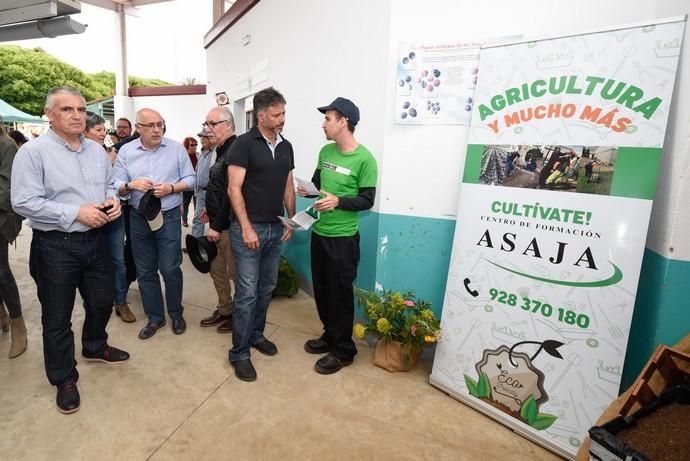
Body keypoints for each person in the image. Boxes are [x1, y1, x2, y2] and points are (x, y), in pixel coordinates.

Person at [11, 86, 129, 414]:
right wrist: (75, 212)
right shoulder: (33, 153)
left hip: (96, 241)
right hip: (55, 247)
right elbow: (23, 202)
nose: (76, 115)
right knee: (57, 316)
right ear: (49, 115)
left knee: (102, 301)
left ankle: (94, 345)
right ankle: (63, 377)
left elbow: (108, 184)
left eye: (80, 109)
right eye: (67, 109)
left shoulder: (94, 150)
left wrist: (112, 201)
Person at [300, 97, 378, 374]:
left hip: (344, 239)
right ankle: (330, 335)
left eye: (328, 119)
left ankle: (344, 350)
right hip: (320, 233)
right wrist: (308, 191)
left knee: (340, 295)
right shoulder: (326, 152)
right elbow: (318, 183)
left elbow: (367, 200)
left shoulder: (364, 159)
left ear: (344, 121)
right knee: (321, 290)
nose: (324, 124)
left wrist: (338, 201)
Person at [226, 88, 295, 381]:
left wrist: (291, 220)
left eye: (283, 113)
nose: (282, 119)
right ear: (262, 115)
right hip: (248, 230)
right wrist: (246, 227)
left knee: (267, 288)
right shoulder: (243, 145)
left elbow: (288, 185)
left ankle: (256, 335)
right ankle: (239, 353)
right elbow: (234, 188)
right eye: (277, 114)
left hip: (275, 227)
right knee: (246, 293)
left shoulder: (286, 146)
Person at [114, 108, 196, 340]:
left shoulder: (176, 149)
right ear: (138, 127)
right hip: (138, 217)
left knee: (170, 267)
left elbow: (191, 180)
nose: (157, 129)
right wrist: (131, 185)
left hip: (168, 215)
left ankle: (176, 314)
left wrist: (172, 188)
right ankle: (155, 317)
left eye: (160, 124)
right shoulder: (126, 152)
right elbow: (115, 183)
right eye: (150, 125)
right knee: (145, 271)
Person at [85, 112, 135, 323]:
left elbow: (113, 183)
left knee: (118, 260)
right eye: (98, 130)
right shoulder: (76, 157)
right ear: (84, 131)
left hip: (113, 215)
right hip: (87, 218)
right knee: (90, 264)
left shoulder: (109, 153)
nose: (103, 133)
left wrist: (114, 200)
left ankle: (121, 302)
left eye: (104, 130)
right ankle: (95, 303)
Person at [199, 107, 237, 334]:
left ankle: (239, 317)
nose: (208, 129)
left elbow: (233, 194)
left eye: (212, 124)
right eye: (207, 124)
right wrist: (208, 211)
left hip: (229, 226)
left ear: (228, 125)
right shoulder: (220, 150)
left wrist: (216, 225)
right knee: (216, 269)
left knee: (235, 273)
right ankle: (225, 309)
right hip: (216, 222)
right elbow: (218, 189)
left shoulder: (236, 150)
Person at [0, 125, 26, 358]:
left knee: (1, 270)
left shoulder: (6, 145)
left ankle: (17, 323)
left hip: (2, 217)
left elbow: (7, 189)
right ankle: (2, 314)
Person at [190, 130, 214, 239]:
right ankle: (196, 245)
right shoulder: (201, 153)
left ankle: (213, 247)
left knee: (213, 220)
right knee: (198, 219)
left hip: (212, 193)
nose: (202, 139)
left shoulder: (215, 153)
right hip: (200, 193)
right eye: (201, 137)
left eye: (205, 137)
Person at [181, 137, 198, 227]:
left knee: (197, 205)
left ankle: (196, 221)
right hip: (186, 186)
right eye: (192, 145)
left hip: (196, 186)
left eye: (196, 145)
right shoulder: (183, 157)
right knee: (185, 204)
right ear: (187, 146)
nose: (194, 147)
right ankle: (184, 220)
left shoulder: (198, 155)